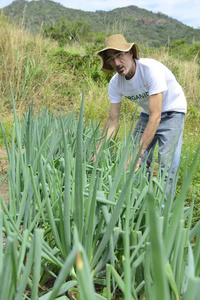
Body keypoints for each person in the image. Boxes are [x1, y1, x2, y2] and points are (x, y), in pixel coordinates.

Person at [94, 34, 187, 200]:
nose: (116, 63)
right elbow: (113, 121)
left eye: (119, 55)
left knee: (167, 162)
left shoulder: (151, 70)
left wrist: (139, 152)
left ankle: (162, 211)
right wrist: (99, 150)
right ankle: (137, 203)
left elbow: (156, 116)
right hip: (147, 114)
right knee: (131, 161)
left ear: (130, 53)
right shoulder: (115, 84)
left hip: (172, 110)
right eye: (111, 59)